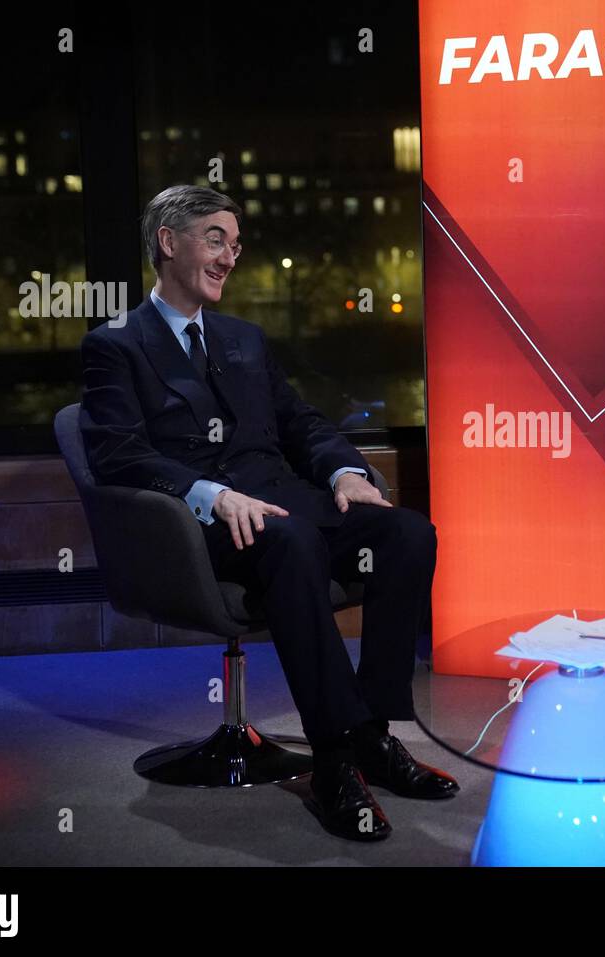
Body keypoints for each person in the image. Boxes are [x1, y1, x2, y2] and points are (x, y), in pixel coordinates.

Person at [79, 185, 457, 842]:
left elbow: (302, 423)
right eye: (216, 238)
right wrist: (209, 493)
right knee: (292, 543)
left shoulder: (245, 339)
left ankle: (372, 731)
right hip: (207, 529)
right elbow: (117, 454)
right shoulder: (118, 345)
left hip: (287, 499)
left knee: (405, 531)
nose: (231, 256)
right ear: (169, 241)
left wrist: (342, 469)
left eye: (236, 242)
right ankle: (335, 758)